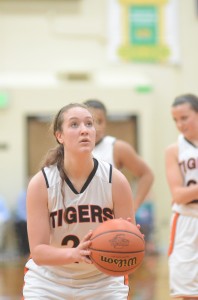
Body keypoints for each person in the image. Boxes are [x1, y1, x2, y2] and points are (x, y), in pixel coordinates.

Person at [23, 103, 138, 299]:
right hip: (49, 281)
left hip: (102, 281)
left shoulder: (115, 180)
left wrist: (131, 241)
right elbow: (39, 252)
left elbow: (128, 247)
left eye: (89, 124)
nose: (84, 130)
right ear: (60, 136)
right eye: (74, 125)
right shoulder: (41, 183)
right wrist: (74, 254)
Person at [83, 99, 154, 213]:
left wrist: (133, 207)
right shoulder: (72, 149)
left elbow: (146, 175)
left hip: (109, 215)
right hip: (82, 214)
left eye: (100, 121)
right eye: (90, 122)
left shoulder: (117, 147)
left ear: (106, 122)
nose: (96, 127)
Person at [165, 94, 198, 300]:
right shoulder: (173, 150)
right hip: (187, 220)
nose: (179, 124)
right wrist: (185, 194)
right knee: (185, 293)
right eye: (175, 119)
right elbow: (178, 195)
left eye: (184, 118)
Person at [14, 188, 30, 257]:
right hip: (22, 220)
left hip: (31, 219)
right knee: (24, 225)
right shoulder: (23, 195)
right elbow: (20, 212)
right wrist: (29, 220)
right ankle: (25, 251)